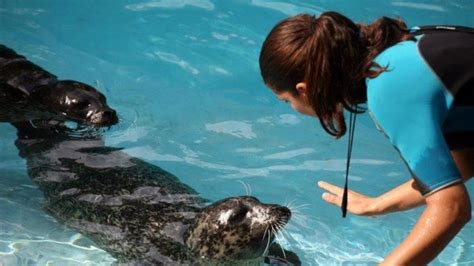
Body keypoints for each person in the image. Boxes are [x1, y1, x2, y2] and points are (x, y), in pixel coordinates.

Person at [259, 11, 473, 265]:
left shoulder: (389, 87)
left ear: (303, 90)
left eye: (286, 101)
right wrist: (377, 205)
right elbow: (465, 162)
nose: (291, 107)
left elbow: (451, 208)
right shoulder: (400, 47)